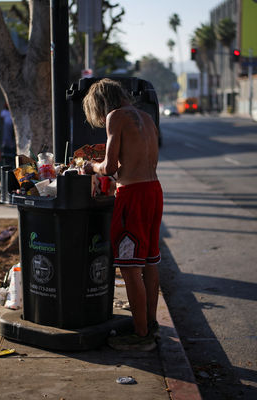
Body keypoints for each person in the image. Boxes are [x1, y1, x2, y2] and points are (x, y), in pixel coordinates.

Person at [80, 79, 163, 351]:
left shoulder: (115, 117)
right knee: (149, 263)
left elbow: (111, 164)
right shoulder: (147, 118)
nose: (101, 118)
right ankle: (150, 324)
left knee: (129, 268)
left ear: (102, 103)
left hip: (133, 196)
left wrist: (90, 167)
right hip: (153, 190)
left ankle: (140, 336)